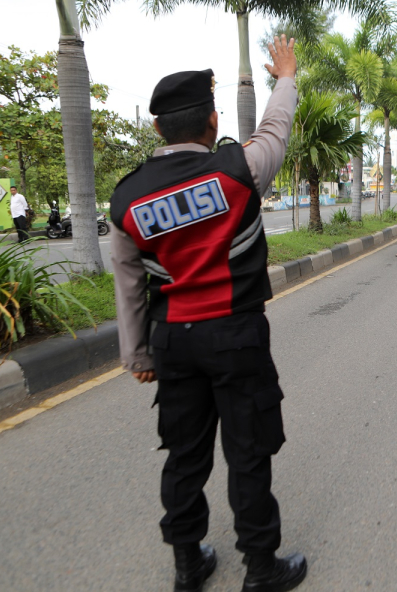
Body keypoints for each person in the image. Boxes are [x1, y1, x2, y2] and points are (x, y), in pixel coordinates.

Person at [109, 36, 308, 592]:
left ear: (157, 129)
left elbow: (129, 284)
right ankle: (261, 571)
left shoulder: (126, 199)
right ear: (213, 120)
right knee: (248, 454)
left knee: (184, 455)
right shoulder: (239, 170)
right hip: (236, 335)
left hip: (173, 341)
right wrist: (285, 77)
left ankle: (187, 565)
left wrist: (138, 355)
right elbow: (276, 129)